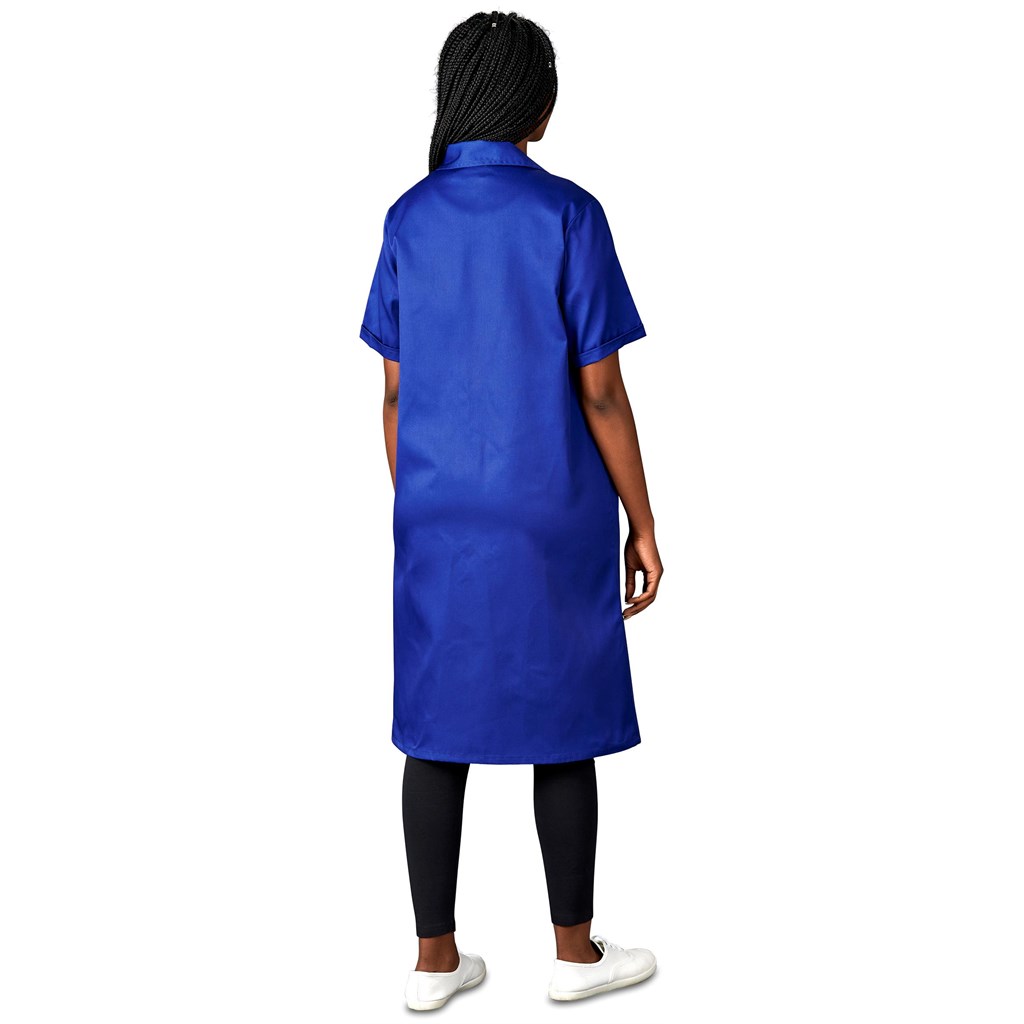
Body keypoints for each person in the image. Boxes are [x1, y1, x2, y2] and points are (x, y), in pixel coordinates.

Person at [358, 10, 664, 1011]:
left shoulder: (408, 219)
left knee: (433, 728)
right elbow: (601, 392)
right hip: (553, 515)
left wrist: (421, 506)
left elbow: (394, 393)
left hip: (437, 519)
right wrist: (643, 521)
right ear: (539, 103)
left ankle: (434, 964)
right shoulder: (569, 213)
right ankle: (575, 956)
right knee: (561, 722)